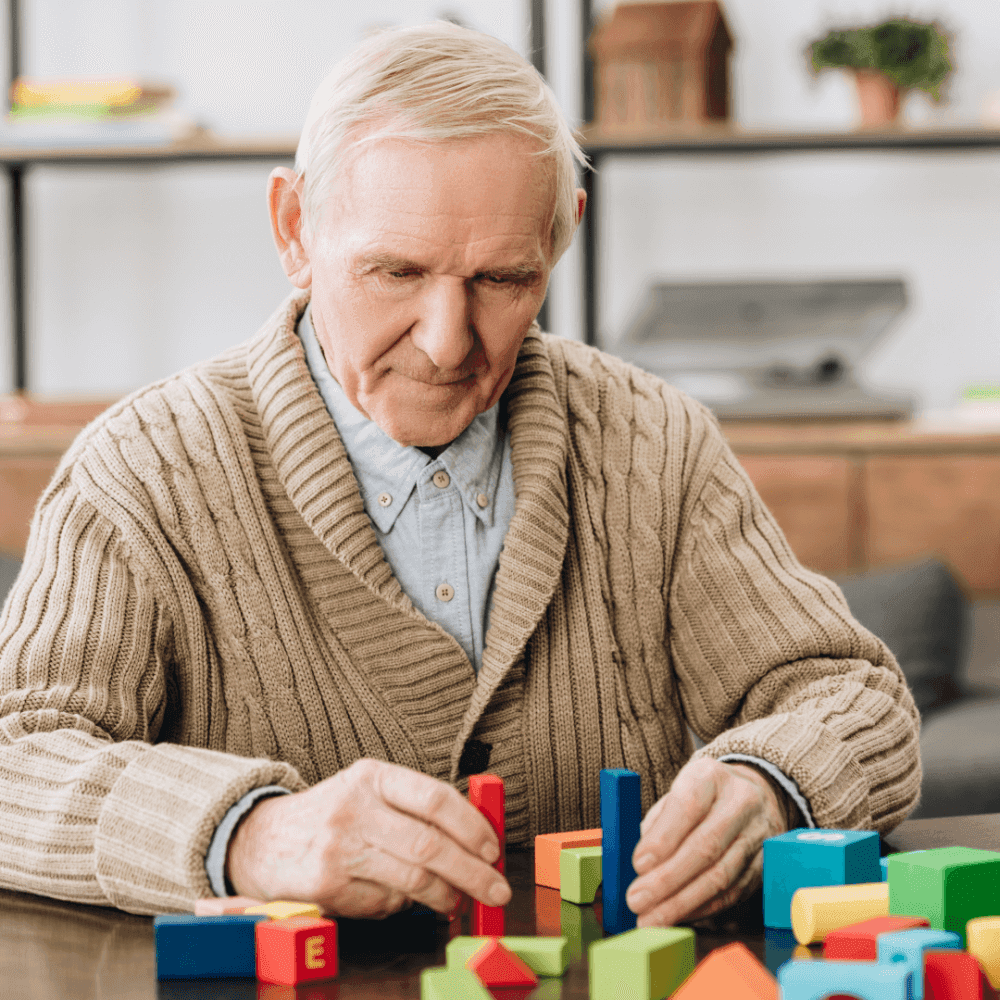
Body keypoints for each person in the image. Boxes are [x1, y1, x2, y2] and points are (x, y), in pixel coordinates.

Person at [0, 22, 920, 924]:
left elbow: (855, 697)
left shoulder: (654, 443)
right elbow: (17, 762)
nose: (447, 345)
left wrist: (773, 782)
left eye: (502, 280)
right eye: (396, 272)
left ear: (561, 241)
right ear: (293, 229)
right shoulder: (140, 473)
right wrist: (248, 835)